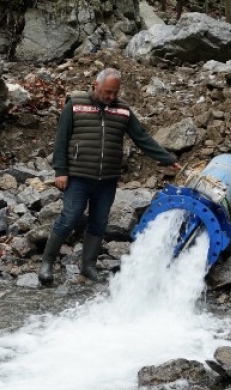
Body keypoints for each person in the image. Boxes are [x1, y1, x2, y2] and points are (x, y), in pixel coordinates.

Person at [38, 68, 182, 284]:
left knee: (99, 222)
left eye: (115, 93)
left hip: (107, 180)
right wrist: (61, 171)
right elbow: (61, 139)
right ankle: (47, 264)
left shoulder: (123, 111)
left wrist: (168, 158)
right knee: (70, 217)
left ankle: (88, 267)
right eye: (107, 92)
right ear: (96, 85)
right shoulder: (75, 105)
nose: (111, 97)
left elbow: (141, 138)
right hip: (78, 176)